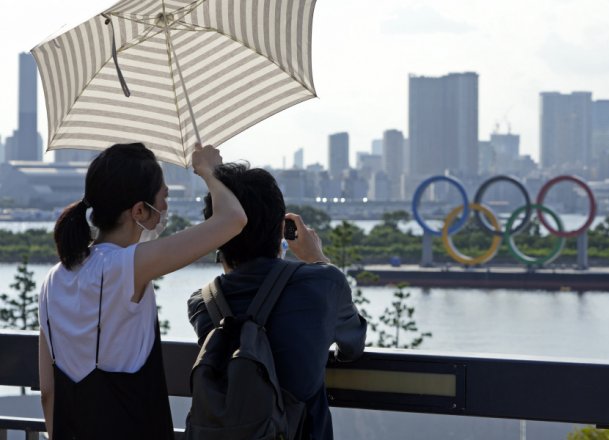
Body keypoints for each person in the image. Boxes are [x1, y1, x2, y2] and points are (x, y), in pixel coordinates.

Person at [38, 143, 247, 440]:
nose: (165, 209)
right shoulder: (127, 266)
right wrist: (209, 173)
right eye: (163, 198)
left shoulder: (52, 280)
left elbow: (48, 392)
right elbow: (234, 220)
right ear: (138, 210)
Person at [187, 163, 367, 440]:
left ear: (216, 230)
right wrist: (317, 260)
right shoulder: (324, 283)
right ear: (281, 228)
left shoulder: (202, 303)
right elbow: (351, 347)